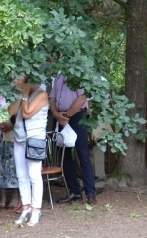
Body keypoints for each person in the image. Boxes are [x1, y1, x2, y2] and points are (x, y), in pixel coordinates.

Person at [50, 70, 97, 205]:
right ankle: (74, 192)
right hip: (59, 117)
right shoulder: (58, 75)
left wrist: (68, 115)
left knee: (82, 154)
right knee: (63, 156)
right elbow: (52, 97)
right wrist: (55, 114)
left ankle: (90, 193)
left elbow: (82, 98)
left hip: (75, 117)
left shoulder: (78, 73)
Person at [10, 72, 48, 227]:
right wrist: (20, 94)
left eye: (20, 80)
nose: (17, 82)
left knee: (34, 175)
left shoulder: (42, 95)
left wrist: (25, 94)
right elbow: (12, 112)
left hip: (34, 139)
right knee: (21, 175)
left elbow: (26, 113)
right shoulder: (22, 94)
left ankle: (36, 210)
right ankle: (26, 208)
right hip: (19, 138)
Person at [0, 95, 20, 211]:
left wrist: (11, 124)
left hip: (12, 129)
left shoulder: (16, 93)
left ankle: (15, 195)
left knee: (13, 163)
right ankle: (2, 197)